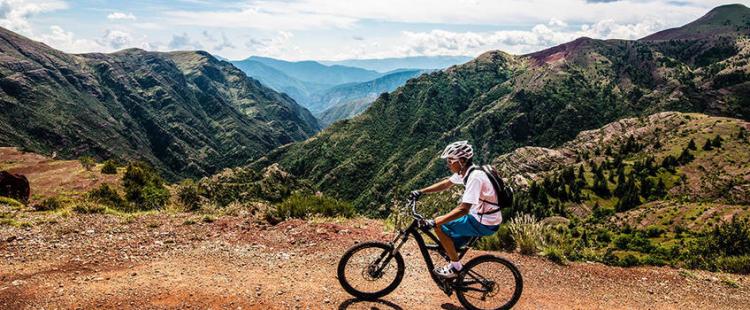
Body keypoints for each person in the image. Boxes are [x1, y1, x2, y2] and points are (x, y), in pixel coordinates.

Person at [409, 141, 502, 278]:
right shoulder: (466, 172)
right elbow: (446, 184)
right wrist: (421, 191)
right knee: (447, 239)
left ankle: (456, 269)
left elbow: (463, 209)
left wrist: (435, 221)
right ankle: (454, 259)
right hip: (479, 216)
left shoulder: (475, 178)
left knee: (440, 226)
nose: (448, 163)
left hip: (484, 222)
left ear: (462, 160)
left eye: (451, 160)